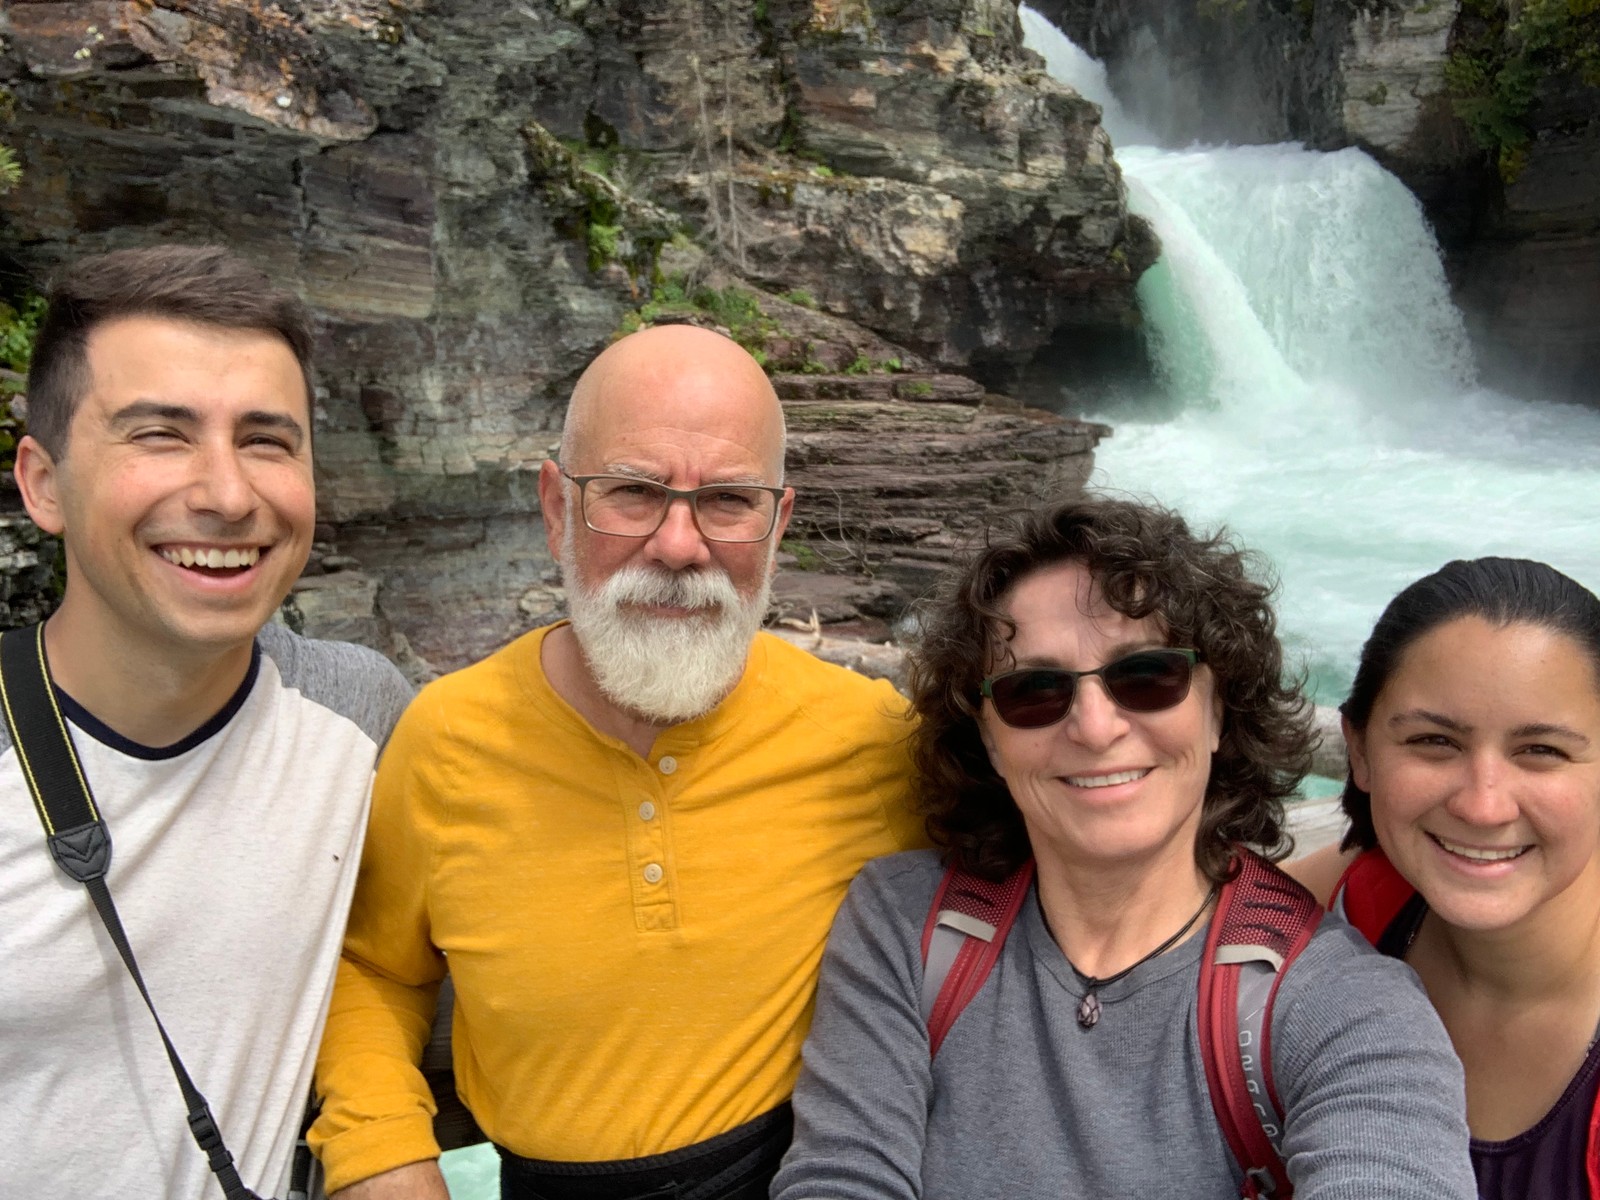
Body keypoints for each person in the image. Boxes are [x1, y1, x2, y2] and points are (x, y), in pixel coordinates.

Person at [310, 323, 924, 1199]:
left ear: (777, 522)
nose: (679, 546)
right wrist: (381, 1154)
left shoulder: (872, 735)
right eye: (633, 493)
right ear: (556, 505)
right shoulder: (446, 740)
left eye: (727, 501)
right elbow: (374, 967)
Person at [771, 496, 1478, 1199]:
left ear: (1218, 709)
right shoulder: (907, 925)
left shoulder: (1344, 1006)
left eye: (1146, 676)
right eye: (1033, 691)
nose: (1095, 726)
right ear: (989, 736)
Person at [0, 245, 414, 1198]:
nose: (229, 495)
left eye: (268, 440)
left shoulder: (359, 718)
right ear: (43, 482)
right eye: (160, 435)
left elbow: (403, 980)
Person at [1289, 558, 1600, 1199]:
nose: (1483, 806)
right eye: (1434, 741)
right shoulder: (1358, 899)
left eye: (1541, 750)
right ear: (1361, 751)